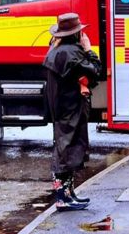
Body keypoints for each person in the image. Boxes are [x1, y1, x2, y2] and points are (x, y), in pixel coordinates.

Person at [43, 12, 103, 211]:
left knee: (65, 148)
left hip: (62, 107)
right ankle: (63, 198)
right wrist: (89, 49)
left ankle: (68, 194)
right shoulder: (72, 53)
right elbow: (95, 70)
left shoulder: (56, 50)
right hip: (71, 108)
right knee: (66, 150)